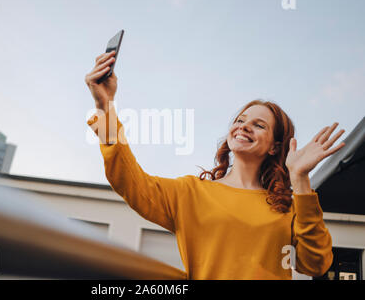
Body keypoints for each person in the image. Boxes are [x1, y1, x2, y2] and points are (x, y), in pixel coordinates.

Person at [84, 51, 345, 280]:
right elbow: (128, 180)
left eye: (259, 124)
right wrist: (105, 107)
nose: (244, 126)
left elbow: (316, 264)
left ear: (275, 147)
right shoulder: (190, 193)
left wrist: (299, 178)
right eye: (241, 120)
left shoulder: (288, 206)